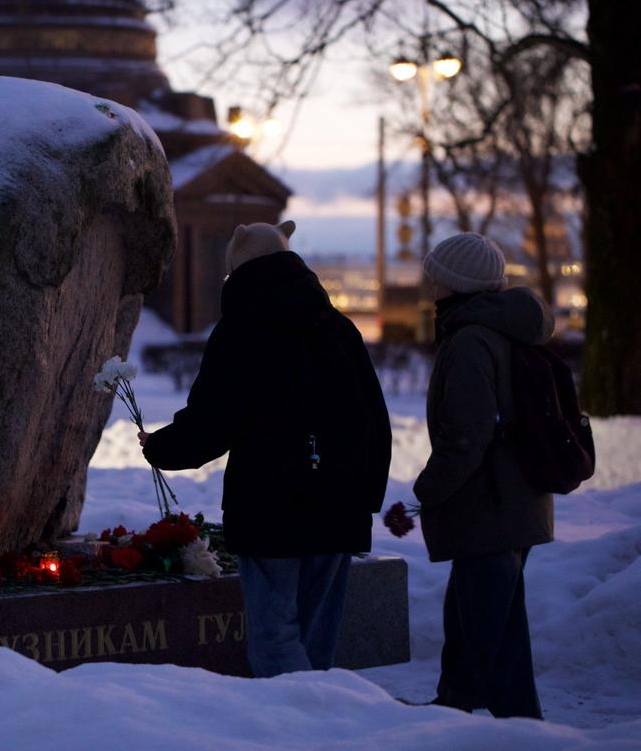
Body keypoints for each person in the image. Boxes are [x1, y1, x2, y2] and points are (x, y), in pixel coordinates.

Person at [139, 220, 391, 677]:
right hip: (339, 508)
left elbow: (214, 418)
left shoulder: (243, 330)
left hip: (271, 507)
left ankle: (291, 734)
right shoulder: (336, 326)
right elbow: (373, 420)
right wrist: (365, 496)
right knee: (316, 644)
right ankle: (321, 730)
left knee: (275, 639)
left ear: (239, 270)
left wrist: (162, 448)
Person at [413, 232, 554, 719]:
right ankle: (454, 709)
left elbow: (467, 436)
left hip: (489, 507)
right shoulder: (503, 331)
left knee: (496, 639)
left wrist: (428, 489)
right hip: (515, 503)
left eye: (436, 275)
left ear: (455, 283)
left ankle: (521, 733)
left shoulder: (472, 340)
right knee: (474, 621)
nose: (429, 283)